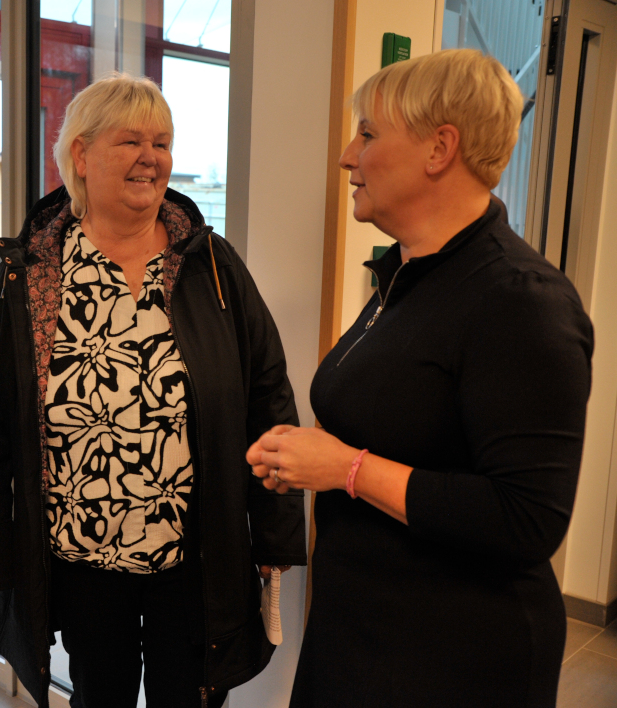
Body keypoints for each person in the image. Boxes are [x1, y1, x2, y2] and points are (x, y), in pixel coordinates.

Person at [247, 49, 594, 707]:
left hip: (453, 658)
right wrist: (306, 458)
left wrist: (345, 467)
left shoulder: (522, 302)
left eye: (369, 133)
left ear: (440, 149)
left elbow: (526, 519)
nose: (348, 155)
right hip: (365, 630)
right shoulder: (407, 277)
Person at [0, 73, 306, 708]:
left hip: (193, 553)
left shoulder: (211, 265)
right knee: (100, 696)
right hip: (83, 556)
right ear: (81, 157)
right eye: (131, 141)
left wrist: (277, 533)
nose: (152, 158)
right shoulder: (27, 277)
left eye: (163, 142)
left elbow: (268, 397)